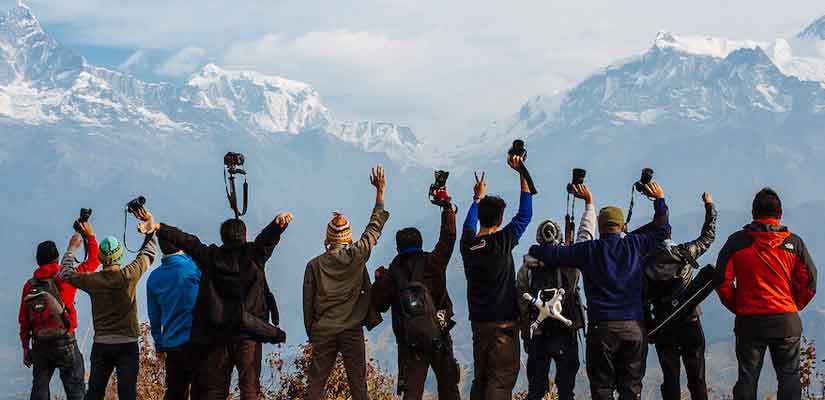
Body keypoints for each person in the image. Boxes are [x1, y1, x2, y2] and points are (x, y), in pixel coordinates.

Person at [529, 181, 669, 400]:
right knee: (631, 388)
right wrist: (659, 200)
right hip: (634, 327)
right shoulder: (636, 244)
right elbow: (661, 231)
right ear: (622, 227)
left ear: (600, 227)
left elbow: (552, 255)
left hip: (602, 329)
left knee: (602, 389)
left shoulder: (589, 250)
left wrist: (536, 248)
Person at [136, 207, 293, 400]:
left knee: (214, 392)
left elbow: (188, 242)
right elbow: (265, 241)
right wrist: (277, 226)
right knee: (249, 390)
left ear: (223, 237)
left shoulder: (210, 257)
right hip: (248, 334)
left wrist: (159, 227)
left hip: (217, 336)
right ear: (244, 236)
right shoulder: (254, 256)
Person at [715, 188, 817, 400]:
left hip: (750, 321)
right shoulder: (794, 244)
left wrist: (739, 306)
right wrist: (792, 305)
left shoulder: (737, 242)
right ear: (780, 213)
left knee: (747, 377)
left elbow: (722, 280)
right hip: (786, 321)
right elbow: (809, 282)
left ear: (753, 213)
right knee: (789, 377)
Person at [303, 165, 389, 400]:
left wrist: (313, 331)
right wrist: (380, 193)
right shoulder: (358, 255)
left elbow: (307, 305)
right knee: (359, 386)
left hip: (325, 330)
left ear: (328, 238)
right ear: (348, 237)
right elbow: (374, 229)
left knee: (316, 386)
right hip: (352, 329)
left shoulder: (314, 265)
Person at [371, 184, 460, 399]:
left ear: (398, 248)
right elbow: (448, 238)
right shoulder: (434, 262)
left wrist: (378, 281)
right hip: (439, 334)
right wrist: (447, 207)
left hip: (410, 344)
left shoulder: (392, 273)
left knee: (412, 393)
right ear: (420, 244)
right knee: (448, 388)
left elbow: (379, 305)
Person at [460, 154, 533, 400]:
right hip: (504, 325)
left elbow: (468, 225)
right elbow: (525, 214)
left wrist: (476, 198)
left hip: (479, 324)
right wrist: (521, 171)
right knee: (500, 381)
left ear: (481, 216)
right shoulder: (502, 241)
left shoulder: (468, 244)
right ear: (501, 220)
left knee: (481, 379)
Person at [516, 184, 595, 400]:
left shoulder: (526, 268)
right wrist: (589, 204)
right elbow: (585, 238)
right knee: (566, 390)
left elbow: (522, 303)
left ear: (539, 239)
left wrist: (525, 333)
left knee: (535, 390)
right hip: (565, 332)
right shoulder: (570, 265)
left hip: (538, 332)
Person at [59, 231, 157, 400]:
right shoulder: (129, 276)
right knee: (127, 394)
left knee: (95, 393)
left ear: (101, 258)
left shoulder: (92, 280)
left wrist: (71, 249)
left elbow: (65, 273)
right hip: (127, 344)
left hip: (102, 345)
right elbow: (148, 253)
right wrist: (150, 228)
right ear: (120, 256)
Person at [642, 192, 716, 400]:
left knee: (671, 378)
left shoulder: (646, 264)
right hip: (690, 321)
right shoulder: (686, 252)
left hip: (664, 326)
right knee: (697, 378)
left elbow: (643, 301)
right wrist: (709, 206)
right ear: (671, 234)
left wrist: (648, 328)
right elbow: (708, 236)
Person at [20, 222, 98, 400]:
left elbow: (24, 320)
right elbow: (93, 261)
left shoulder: (29, 285)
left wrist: (26, 348)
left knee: (39, 390)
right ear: (57, 259)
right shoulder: (66, 277)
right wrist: (89, 236)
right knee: (76, 390)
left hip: (39, 343)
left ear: (38, 261)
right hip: (65, 341)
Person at [146, 238, 202, 400]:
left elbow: (154, 316)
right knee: (202, 389)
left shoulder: (154, 278)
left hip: (172, 344)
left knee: (175, 392)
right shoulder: (193, 268)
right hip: (196, 341)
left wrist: (159, 344)